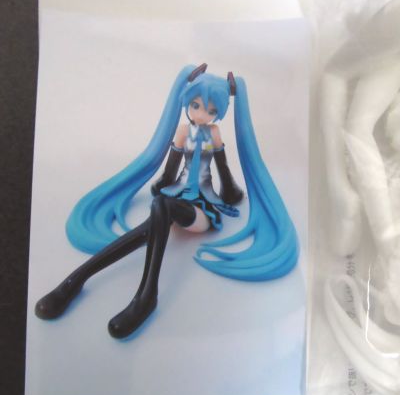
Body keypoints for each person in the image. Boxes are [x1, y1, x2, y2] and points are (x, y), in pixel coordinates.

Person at [35, 64, 299, 339]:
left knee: (160, 207)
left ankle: (144, 294)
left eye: (210, 110)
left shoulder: (215, 134)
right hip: (177, 198)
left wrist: (230, 192)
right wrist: (163, 183)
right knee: (154, 221)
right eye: (195, 105)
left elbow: (222, 169)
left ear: (219, 113)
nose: (201, 114)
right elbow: (171, 167)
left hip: (202, 211)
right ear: (186, 103)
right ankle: (77, 279)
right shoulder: (183, 131)